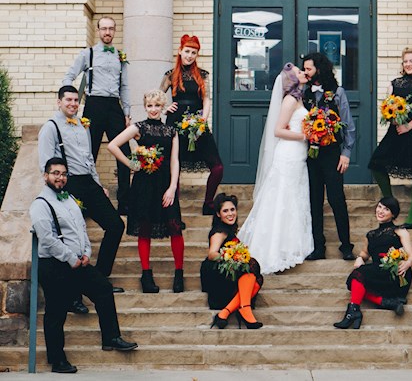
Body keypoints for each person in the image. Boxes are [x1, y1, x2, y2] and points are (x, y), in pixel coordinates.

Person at [30, 157, 137, 374]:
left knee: (104, 289)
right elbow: (48, 239)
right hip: (54, 265)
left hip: (79, 262)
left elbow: (81, 230)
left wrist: (86, 253)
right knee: (56, 312)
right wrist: (71, 258)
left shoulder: (69, 199)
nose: (60, 177)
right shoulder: (40, 204)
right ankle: (57, 360)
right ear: (46, 175)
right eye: (55, 173)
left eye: (63, 174)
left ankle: (111, 337)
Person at [38, 85, 125, 312]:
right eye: (68, 100)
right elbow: (45, 164)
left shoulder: (83, 125)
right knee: (72, 237)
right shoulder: (51, 127)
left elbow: (88, 159)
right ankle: (73, 296)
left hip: (88, 182)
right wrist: (55, 193)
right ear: (59, 102)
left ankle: (100, 278)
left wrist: (98, 184)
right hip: (69, 184)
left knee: (115, 225)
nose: (73, 104)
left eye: (76, 100)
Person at [107, 89, 185, 293]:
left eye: (157, 105)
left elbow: (175, 160)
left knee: (175, 227)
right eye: (149, 106)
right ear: (145, 107)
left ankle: (179, 274)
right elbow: (113, 145)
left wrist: (172, 187)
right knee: (145, 229)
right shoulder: (138, 127)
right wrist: (131, 164)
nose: (153, 109)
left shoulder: (172, 131)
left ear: (162, 106)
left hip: (166, 184)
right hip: (143, 185)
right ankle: (146, 276)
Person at [238, 63, 313, 273]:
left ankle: (290, 246)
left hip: (298, 154)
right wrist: (305, 135)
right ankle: (274, 251)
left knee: (293, 199)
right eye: (299, 72)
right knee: (282, 199)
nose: (303, 73)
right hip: (288, 154)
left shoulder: (299, 99)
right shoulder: (289, 100)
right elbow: (278, 130)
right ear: (292, 79)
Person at [62, 16, 131, 216]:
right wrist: (70, 100)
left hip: (114, 106)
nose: (107, 32)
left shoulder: (120, 56)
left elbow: (125, 86)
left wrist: (127, 112)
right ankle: (86, 202)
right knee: (88, 153)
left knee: (123, 151)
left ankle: (124, 202)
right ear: (98, 30)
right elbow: (69, 76)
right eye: (104, 29)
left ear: (115, 31)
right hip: (93, 105)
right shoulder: (88, 54)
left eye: (111, 29)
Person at [368, 46, 412, 228]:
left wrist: (409, 126)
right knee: (377, 164)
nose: (408, 64)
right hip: (397, 132)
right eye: (405, 61)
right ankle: (390, 203)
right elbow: (387, 106)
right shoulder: (394, 83)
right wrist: (390, 117)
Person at [160, 34, 223, 216]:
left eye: (193, 53)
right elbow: (156, 97)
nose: (189, 55)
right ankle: (174, 211)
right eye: (187, 51)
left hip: (197, 124)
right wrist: (165, 108)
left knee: (218, 167)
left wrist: (203, 120)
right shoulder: (170, 75)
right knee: (175, 166)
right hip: (175, 124)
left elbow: (206, 100)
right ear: (180, 52)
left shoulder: (202, 75)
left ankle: (208, 203)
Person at [302, 52, 356, 261]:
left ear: (319, 69)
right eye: (304, 68)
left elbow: (349, 126)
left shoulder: (337, 92)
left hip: (332, 153)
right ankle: (318, 246)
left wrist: (346, 153)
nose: (305, 72)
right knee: (314, 200)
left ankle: (346, 245)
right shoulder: (304, 93)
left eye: (309, 68)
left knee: (336, 199)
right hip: (311, 155)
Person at [333, 196, 412, 329]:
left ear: (393, 214)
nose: (381, 211)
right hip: (378, 271)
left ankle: (354, 312)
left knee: (357, 275)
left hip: (396, 272)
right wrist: (360, 258)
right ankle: (383, 303)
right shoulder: (370, 235)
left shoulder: (400, 231)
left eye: (386, 209)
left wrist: (407, 263)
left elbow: (411, 257)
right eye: (379, 207)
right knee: (354, 280)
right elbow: (365, 253)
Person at [200, 192, 264, 329]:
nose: (230, 214)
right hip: (217, 277)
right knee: (251, 266)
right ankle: (244, 308)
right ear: (218, 214)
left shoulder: (229, 230)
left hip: (228, 274)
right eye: (225, 211)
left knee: (256, 277)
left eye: (232, 209)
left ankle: (225, 312)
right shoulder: (219, 232)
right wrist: (230, 257)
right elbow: (212, 254)